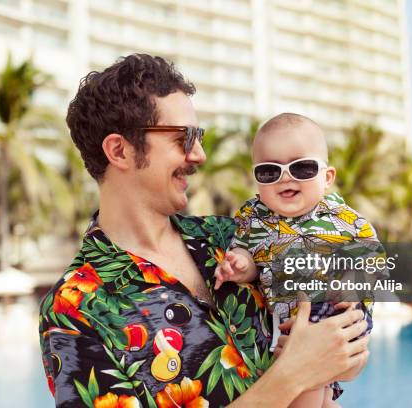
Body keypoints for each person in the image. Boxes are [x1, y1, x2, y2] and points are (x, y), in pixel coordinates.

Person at [38, 54, 369, 407]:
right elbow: (303, 367)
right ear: (120, 150)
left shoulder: (235, 238)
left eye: (199, 136)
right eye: (185, 138)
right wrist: (292, 376)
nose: (199, 155)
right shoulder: (75, 309)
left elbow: (345, 349)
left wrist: (342, 346)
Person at [214, 113, 386, 407]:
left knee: (306, 385)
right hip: (289, 316)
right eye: (269, 171)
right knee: (320, 394)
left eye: (302, 168)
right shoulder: (254, 217)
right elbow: (248, 255)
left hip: (332, 307)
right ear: (256, 178)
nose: (286, 178)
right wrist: (240, 266)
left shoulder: (341, 218)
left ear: (327, 177)